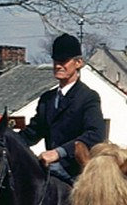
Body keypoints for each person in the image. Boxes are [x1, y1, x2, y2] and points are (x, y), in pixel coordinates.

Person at [19, 33, 107, 183]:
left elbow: (95, 134)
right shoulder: (47, 99)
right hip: (50, 170)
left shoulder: (88, 97)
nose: (58, 65)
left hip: (78, 172)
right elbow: (32, 133)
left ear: (78, 62)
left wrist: (59, 153)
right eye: (55, 61)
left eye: (64, 61)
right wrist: (3, 139)